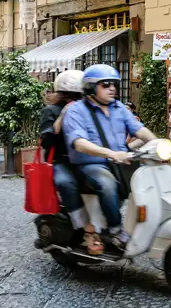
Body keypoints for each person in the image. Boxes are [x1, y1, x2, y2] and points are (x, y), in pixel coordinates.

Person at [62, 64, 157, 249]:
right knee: (107, 184)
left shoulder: (119, 108)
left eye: (114, 84)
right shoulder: (76, 111)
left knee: (147, 180)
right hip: (91, 164)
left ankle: (143, 224)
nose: (112, 88)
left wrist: (159, 143)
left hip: (119, 161)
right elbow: (79, 142)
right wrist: (111, 154)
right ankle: (115, 229)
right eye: (105, 84)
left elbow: (139, 129)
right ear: (90, 87)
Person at [39, 70, 104, 255]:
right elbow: (47, 141)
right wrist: (61, 117)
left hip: (86, 159)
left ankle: (110, 227)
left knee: (110, 180)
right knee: (66, 183)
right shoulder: (50, 111)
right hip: (61, 161)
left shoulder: (88, 110)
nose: (76, 101)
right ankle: (87, 231)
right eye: (73, 97)